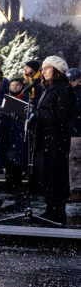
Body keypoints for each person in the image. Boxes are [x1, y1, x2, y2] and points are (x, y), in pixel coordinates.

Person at [32, 56, 75, 224]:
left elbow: (62, 115)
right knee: (48, 174)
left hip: (57, 139)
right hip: (47, 138)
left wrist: (38, 114)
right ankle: (50, 209)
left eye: (47, 68)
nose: (43, 72)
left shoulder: (64, 88)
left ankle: (57, 211)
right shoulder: (50, 88)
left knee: (56, 174)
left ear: (56, 70)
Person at [68, 68, 81, 203]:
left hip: (76, 130)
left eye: (73, 79)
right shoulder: (69, 91)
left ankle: (77, 190)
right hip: (72, 130)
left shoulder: (77, 93)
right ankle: (75, 189)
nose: (71, 82)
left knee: (75, 161)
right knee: (74, 161)